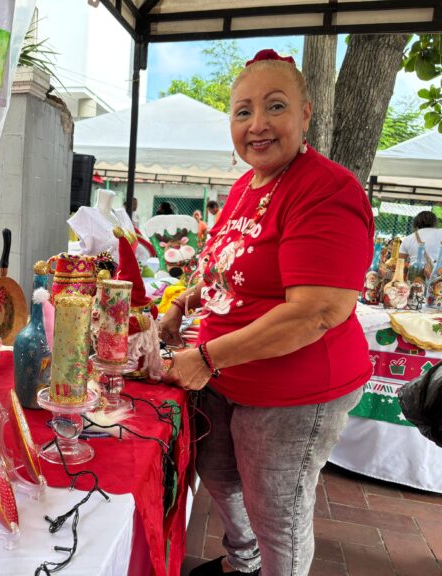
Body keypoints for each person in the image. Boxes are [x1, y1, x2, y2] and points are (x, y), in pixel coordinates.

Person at [158, 49, 374, 576]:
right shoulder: (244, 186)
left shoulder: (327, 188)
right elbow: (224, 270)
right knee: (218, 473)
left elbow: (316, 311)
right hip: (227, 378)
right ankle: (244, 562)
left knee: (277, 510)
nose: (257, 125)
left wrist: (206, 357)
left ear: (305, 113)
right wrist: (184, 305)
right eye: (242, 112)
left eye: (274, 106)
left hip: (294, 393)